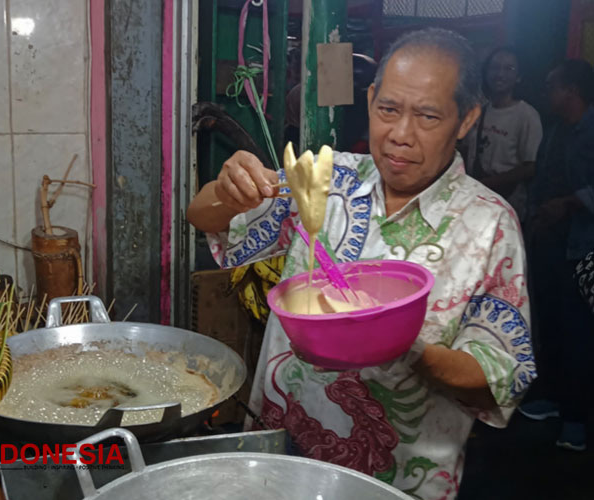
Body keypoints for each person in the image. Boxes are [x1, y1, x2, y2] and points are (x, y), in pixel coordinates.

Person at [187, 28, 535, 500]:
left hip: (400, 478)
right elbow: (202, 215)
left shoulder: (490, 224)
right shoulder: (327, 178)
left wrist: (400, 344)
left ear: (467, 118)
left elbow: (498, 376)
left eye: (428, 116)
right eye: (388, 109)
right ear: (370, 98)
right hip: (280, 462)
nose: (401, 135)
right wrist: (228, 192)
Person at [520, 59, 594, 452]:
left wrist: (568, 203)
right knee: (551, 326)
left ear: (572, 91)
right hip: (550, 245)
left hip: (583, 249)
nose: (548, 93)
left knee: (579, 332)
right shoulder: (556, 131)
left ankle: (577, 420)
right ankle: (554, 398)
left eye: (553, 86)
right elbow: (542, 178)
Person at [463, 47, 543, 224]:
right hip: (474, 199)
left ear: (519, 77)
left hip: (508, 201)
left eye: (509, 69)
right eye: (495, 67)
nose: (500, 74)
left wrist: (490, 183)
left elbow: (530, 167)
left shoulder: (526, 115)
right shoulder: (478, 110)